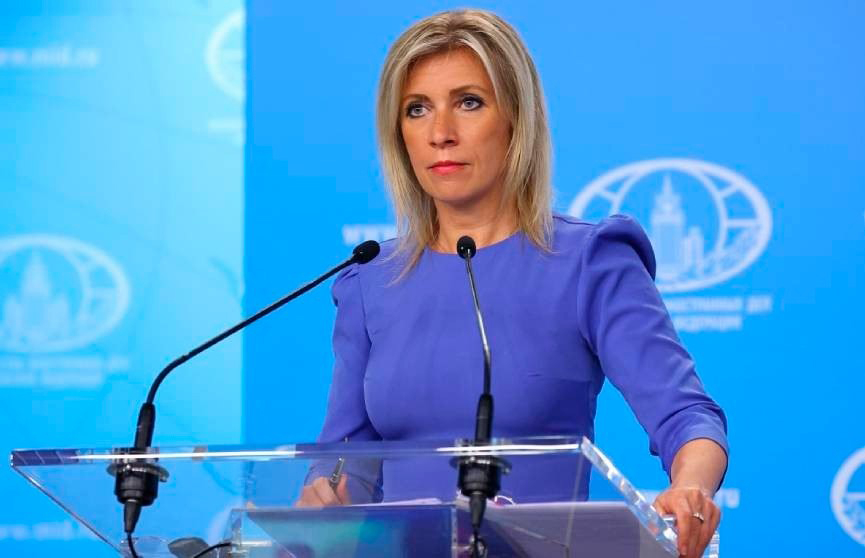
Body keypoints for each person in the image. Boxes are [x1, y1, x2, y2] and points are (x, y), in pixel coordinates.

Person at [298, 9, 728, 558]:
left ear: (516, 120)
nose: (440, 133)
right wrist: (324, 500)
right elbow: (344, 460)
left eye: (469, 102)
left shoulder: (589, 261)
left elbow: (686, 417)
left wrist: (690, 488)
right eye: (417, 109)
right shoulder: (370, 279)